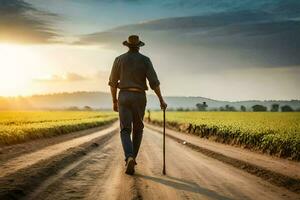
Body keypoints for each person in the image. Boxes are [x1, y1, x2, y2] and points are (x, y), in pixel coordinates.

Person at [108, 35, 167, 175]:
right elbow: (154, 83)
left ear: (127, 46)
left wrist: (114, 101)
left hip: (124, 96)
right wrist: (161, 100)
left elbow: (112, 83)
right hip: (139, 96)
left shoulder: (119, 59)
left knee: (125, 130)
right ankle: (132, 157)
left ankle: (128, 157)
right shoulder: (145, 60)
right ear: (139, 46)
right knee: (138, 129)